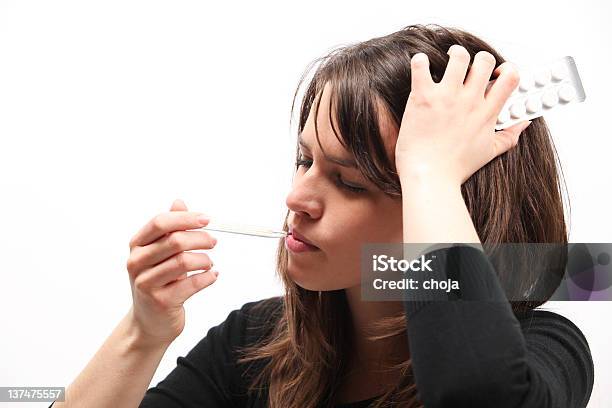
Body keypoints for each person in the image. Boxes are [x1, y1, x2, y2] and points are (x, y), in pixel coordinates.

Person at [49, 23, 594, 408]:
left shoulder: (545, 350)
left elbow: (475, 395)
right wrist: (143, 333)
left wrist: (427, 169)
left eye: (350, 181)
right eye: (304, 160)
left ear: (453, 203)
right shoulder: (256, 342)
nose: (296, 198)